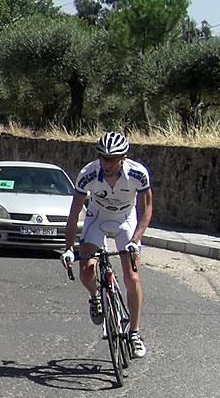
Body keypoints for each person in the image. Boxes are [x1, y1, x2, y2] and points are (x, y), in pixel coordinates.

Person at [61, 131, 153, 358]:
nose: (107, 163)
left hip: (125, 220)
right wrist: (68, 249)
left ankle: (134, 332)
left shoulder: (138, 174)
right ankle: (95, 298)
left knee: (132, 277)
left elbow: (146, 210)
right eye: (103, 157)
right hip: (97, 218)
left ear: (124, 157)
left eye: (112, 158)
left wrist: (135, 240)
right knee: (86, 271)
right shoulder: (87, 174)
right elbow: (73, 214)